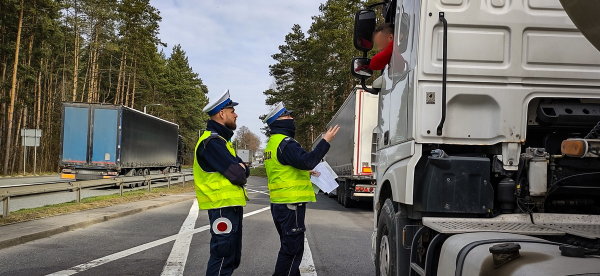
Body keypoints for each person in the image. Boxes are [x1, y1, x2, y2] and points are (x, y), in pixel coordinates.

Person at [262, 102, 340, 276]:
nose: (292, 118)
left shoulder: (273, 144)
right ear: (278, 122)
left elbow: (287, 167)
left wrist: (305, 170)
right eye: (288, 116)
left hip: (280, 204)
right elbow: (307, 160)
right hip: (291, 205)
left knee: (290, 248)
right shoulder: (286, 143)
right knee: (292, 252)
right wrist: (325, 141)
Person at [195, 90, 249, 276]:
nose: (236, 114)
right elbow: (239, 174)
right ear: (221, 114)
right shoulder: (212, 142)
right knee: (223, 256)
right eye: (232, 110)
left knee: (231, 257)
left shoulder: (221, 141)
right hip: (222, 207)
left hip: (228, 206)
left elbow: (243, 169)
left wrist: (243, 168)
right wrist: (242, 168)